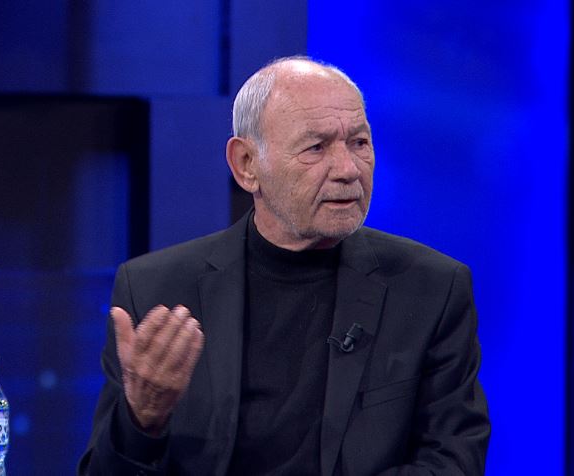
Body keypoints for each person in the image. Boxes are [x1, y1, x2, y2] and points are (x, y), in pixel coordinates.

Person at [79, 56, 490, 475]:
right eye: (316, 147)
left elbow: (454, 461)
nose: (348, 170)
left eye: (359, 143)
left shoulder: (431, 288)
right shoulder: (156, 291)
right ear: (246, 165)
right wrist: (142, 421)